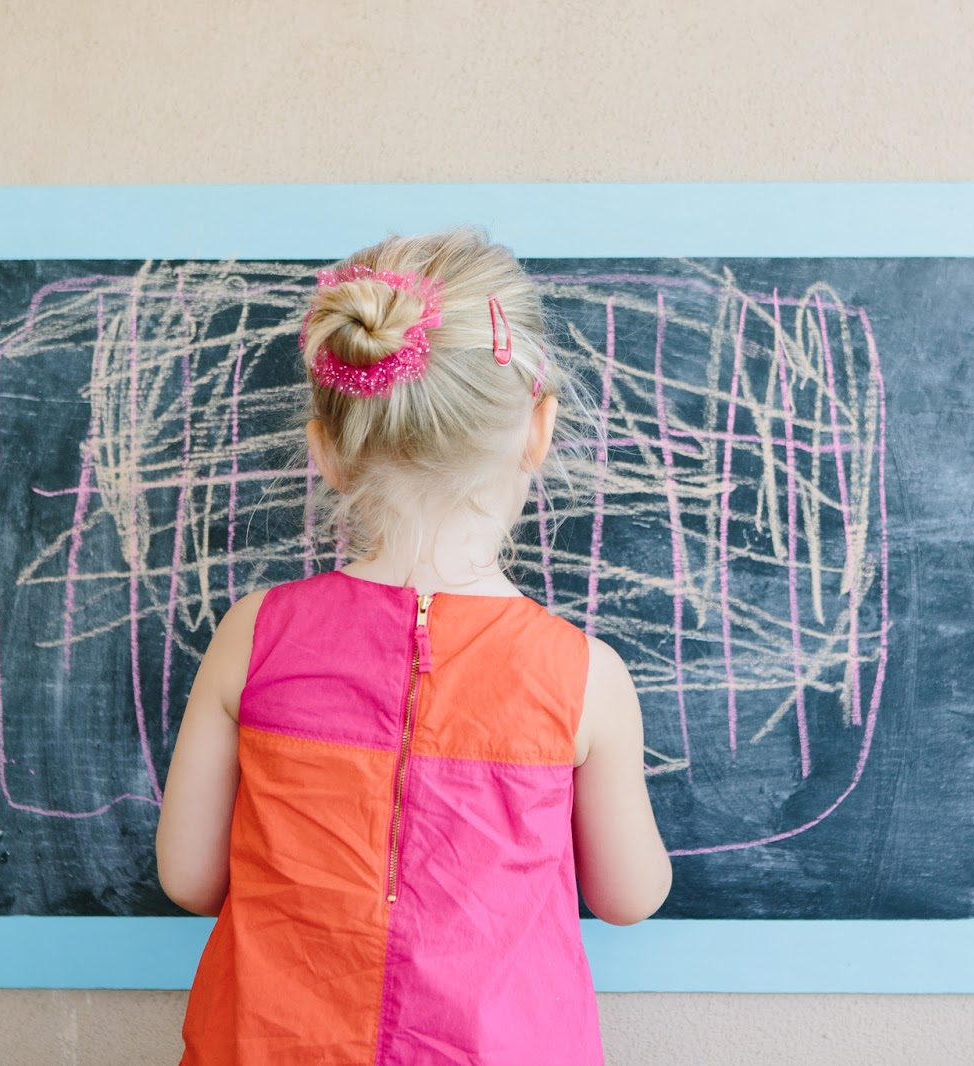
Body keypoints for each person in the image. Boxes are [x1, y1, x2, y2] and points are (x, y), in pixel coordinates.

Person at [155, 227, 672, 1064]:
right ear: (538, 431)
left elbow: (188, 878)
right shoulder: (584, 675)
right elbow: (627, 896)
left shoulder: (253, 635)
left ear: (326, 451)